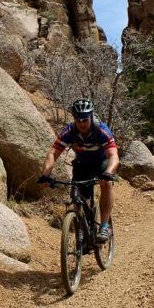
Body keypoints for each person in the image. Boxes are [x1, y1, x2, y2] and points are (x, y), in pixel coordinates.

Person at [39, 98, 119, 242]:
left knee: (106, 184)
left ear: (91, 116)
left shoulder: (101, 130)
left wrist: (108, 173)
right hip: (82, 164)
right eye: (78, 120)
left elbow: (113, 156)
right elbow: (53, 153)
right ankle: (81, 229)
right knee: (77, 197)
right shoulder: (70, 131)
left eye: (85, 119)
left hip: (102, 163)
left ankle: (104, 226)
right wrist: (45, 174)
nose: (81, 123)